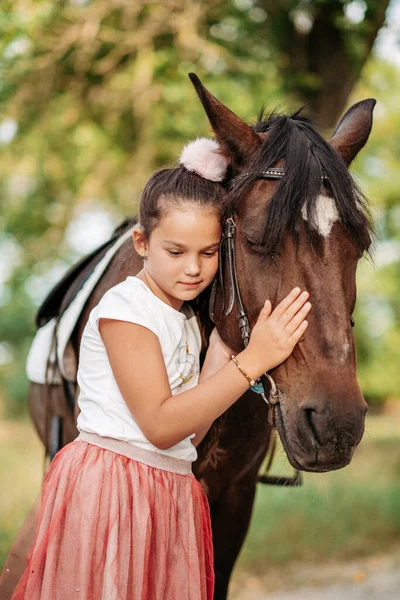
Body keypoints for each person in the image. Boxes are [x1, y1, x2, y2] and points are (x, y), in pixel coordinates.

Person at [0, 139, 311, 599]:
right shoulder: (128, 310)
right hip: (113, 489)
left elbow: (191, 429)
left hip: (163, 489)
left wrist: (218, 363)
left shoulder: (184, 318)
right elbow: (161, 424)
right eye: (176, 251)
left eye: (208, 253)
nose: (194, 269)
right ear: (142, 243)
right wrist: (251, 361)